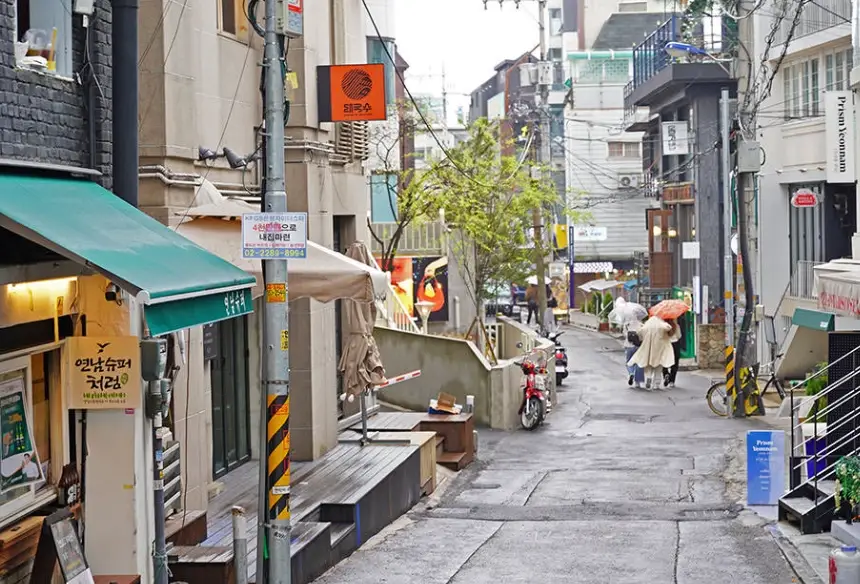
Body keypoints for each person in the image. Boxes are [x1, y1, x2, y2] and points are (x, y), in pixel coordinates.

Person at [627, 315, 675, 390]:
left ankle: (648, 378)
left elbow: (640, 334)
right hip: (660, 348)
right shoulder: (662, 326)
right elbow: (669, 328)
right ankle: (657, 383)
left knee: (648, 366)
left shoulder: (646, 327)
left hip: (648, 349)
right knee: (659, 366)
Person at [622, 319, 645, 388]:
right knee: (638, 363)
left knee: (629, 362)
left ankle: (631, 373)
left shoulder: (627, 324)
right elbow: (642, 336)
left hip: (629, 346)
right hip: (638, 346)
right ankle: (637, 382)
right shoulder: (641, 325)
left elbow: (624, 334)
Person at [663, 315, 684, 388]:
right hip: (675, 344)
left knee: (664, 361)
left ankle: (666, 374)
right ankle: (672, 381)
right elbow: (679, 336)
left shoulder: (663, 326)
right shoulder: (676, 326)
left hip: (666, 344)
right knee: (675, 363)